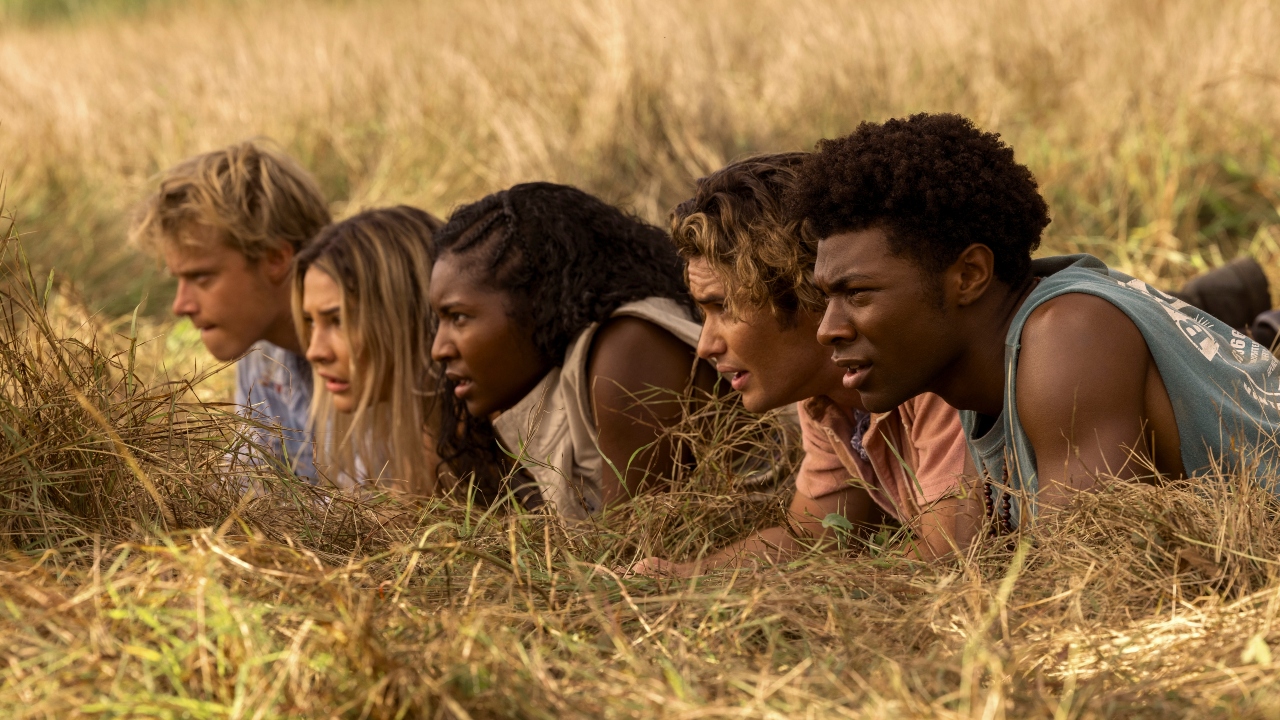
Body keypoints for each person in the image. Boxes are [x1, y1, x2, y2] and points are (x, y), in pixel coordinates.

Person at [787, 113, 1280, 530]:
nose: (828, 328)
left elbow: (1085, 582)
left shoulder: (1069, 333)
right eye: (828, 297)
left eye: (857, 293)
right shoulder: (981, 375)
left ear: (969, 275)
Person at [633, 154, 976, 577]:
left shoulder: (923, 371)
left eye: (723, 307)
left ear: (806, 293)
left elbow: (946, 561)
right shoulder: (825, 396)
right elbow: (813, 537)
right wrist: (684, 576)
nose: (705, 345)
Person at [428, 182, 719, 517]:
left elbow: (637, 554)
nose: (439, 349)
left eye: (459, 317)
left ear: (538, 302)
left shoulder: (628, 352)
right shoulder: (549, 384)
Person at [130, 140, 331, 479]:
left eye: (202, 277)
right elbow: (249, 485)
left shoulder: (378, 347)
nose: (181, 305)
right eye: (178, 279)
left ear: (276, 259)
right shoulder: (260, 348)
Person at [293, 206, 444, 495]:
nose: (314, 352)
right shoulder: (391, 431)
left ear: (406, 314)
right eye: (311, 322)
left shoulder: (505, 443)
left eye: (339, 321)